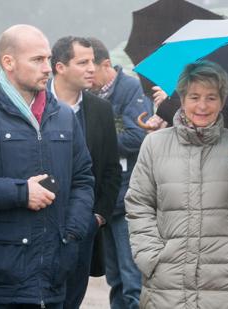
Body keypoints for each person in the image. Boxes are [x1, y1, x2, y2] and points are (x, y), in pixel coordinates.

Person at [0, 25, 94, 309]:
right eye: (37, 60)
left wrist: (72, 234)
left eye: (48, 59)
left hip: (53, 277)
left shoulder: (62, 116)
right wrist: (21, 193)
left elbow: (83, 179)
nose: (47, 68)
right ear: (8, 62)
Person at [125, 60, 228, 309]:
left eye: (211, 97)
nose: (202, 106)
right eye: (194, 96)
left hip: (225, 282)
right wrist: (151, 256)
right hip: (167, 281)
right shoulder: (155, 145)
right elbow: (139, 204)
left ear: (222, 101)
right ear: (182, 99)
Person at [50, 36, 122, 309]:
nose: (92, 67)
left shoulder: (100, 110)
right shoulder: (35, 103)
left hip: (82, 228)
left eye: (93, 61)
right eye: (83, 62)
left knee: (71, 301)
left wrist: (98, 217)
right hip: (38, 224)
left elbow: (111, 170)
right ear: (60, 67)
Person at [87, 37, 153, 309]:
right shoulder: (90, 96)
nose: (87, 76)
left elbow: (138, 137)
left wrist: (97, 138)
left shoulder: (130, 89)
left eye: (91, 69)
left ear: (106, 65)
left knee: (132, 278)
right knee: (114, 277)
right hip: (107, 198)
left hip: (128, 199)